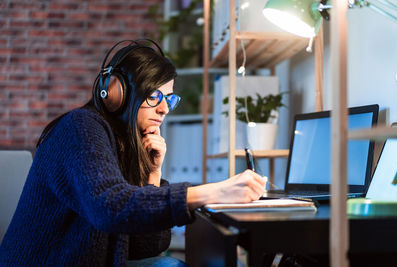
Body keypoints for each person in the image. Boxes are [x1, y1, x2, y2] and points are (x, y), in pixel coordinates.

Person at [0, 39, 265, 266]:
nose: (164, 109)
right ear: (116, 92)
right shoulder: (80, 127)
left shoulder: (127, 143)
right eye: (154, 95)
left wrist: (153, 173)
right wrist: (213, 191)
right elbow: (109, 207)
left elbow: (146, 247)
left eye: (169, 98)